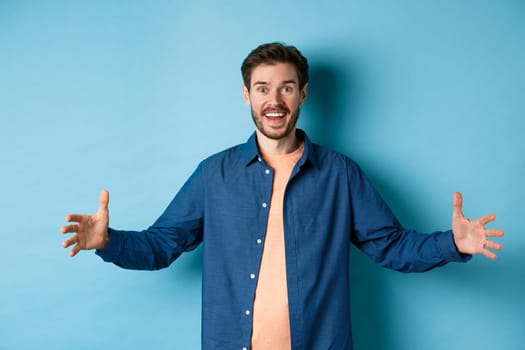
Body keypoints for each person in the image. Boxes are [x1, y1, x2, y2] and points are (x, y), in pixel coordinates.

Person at [60, 42, 504, 350]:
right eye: (263, 88)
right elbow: (162, 244)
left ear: (304, 94)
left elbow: (390, 245)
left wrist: (453, 243)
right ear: (246, 95)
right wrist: (108, 241)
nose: (275, 100)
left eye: (286, 88)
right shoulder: (214, 175)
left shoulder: (340, 175)